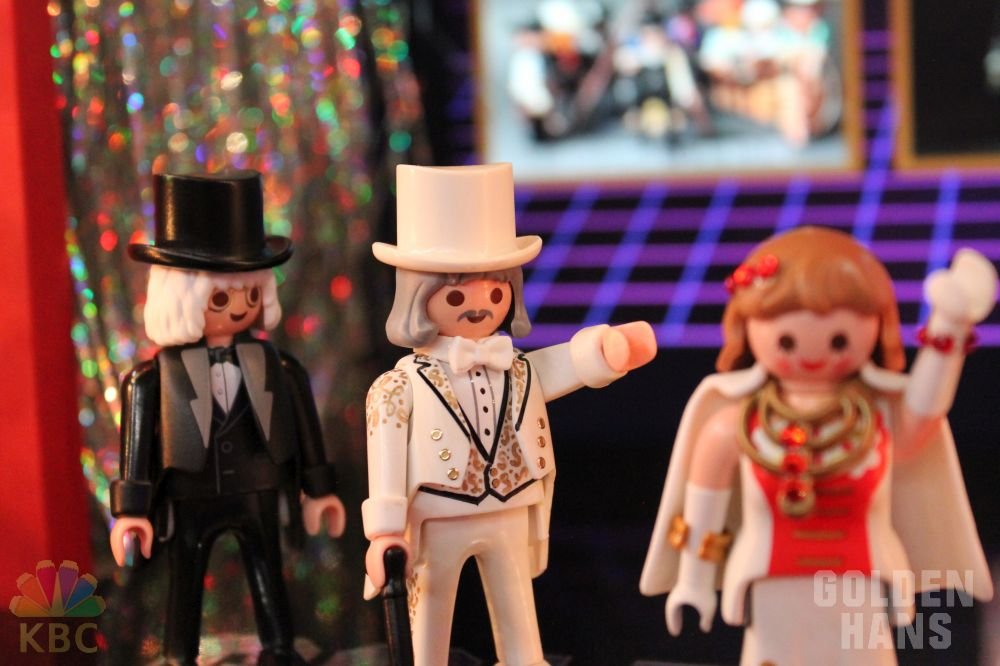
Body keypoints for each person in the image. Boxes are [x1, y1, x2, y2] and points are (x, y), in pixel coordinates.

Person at [641, 226, 994, 664]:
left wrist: (949, 326)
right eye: (786, 340)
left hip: (860, 582)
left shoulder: (876, 423)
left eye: (839, 339)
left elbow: (925, 411)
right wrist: (693, 582)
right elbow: (702, 518)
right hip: (770, 581)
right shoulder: (735, 427)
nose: (811, 355)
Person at [363, 163, 656, 666]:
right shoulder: (398, 386)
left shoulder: (516, 368)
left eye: (496, 292)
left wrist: (604, 351)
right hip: (438, 514)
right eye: (457, 295)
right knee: (430, 614)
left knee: (518, 612)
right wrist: (386, 531)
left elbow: (558, 366)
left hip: (511, 505)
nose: (480, 306)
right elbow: (386, 460)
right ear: (416, 296)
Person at [108, 171, 346, 666]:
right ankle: (180, 653)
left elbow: (307, 429)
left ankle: (278, 646)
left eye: (250, 294)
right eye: (222, 298)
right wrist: (132, 511)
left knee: (268, 568)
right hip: (190, 492)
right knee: (186, 575)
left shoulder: (278, 366)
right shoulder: (153, 379)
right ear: (183, 299)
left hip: (259, 487)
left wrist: (318, 489)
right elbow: (137, 447)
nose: (240, 307)